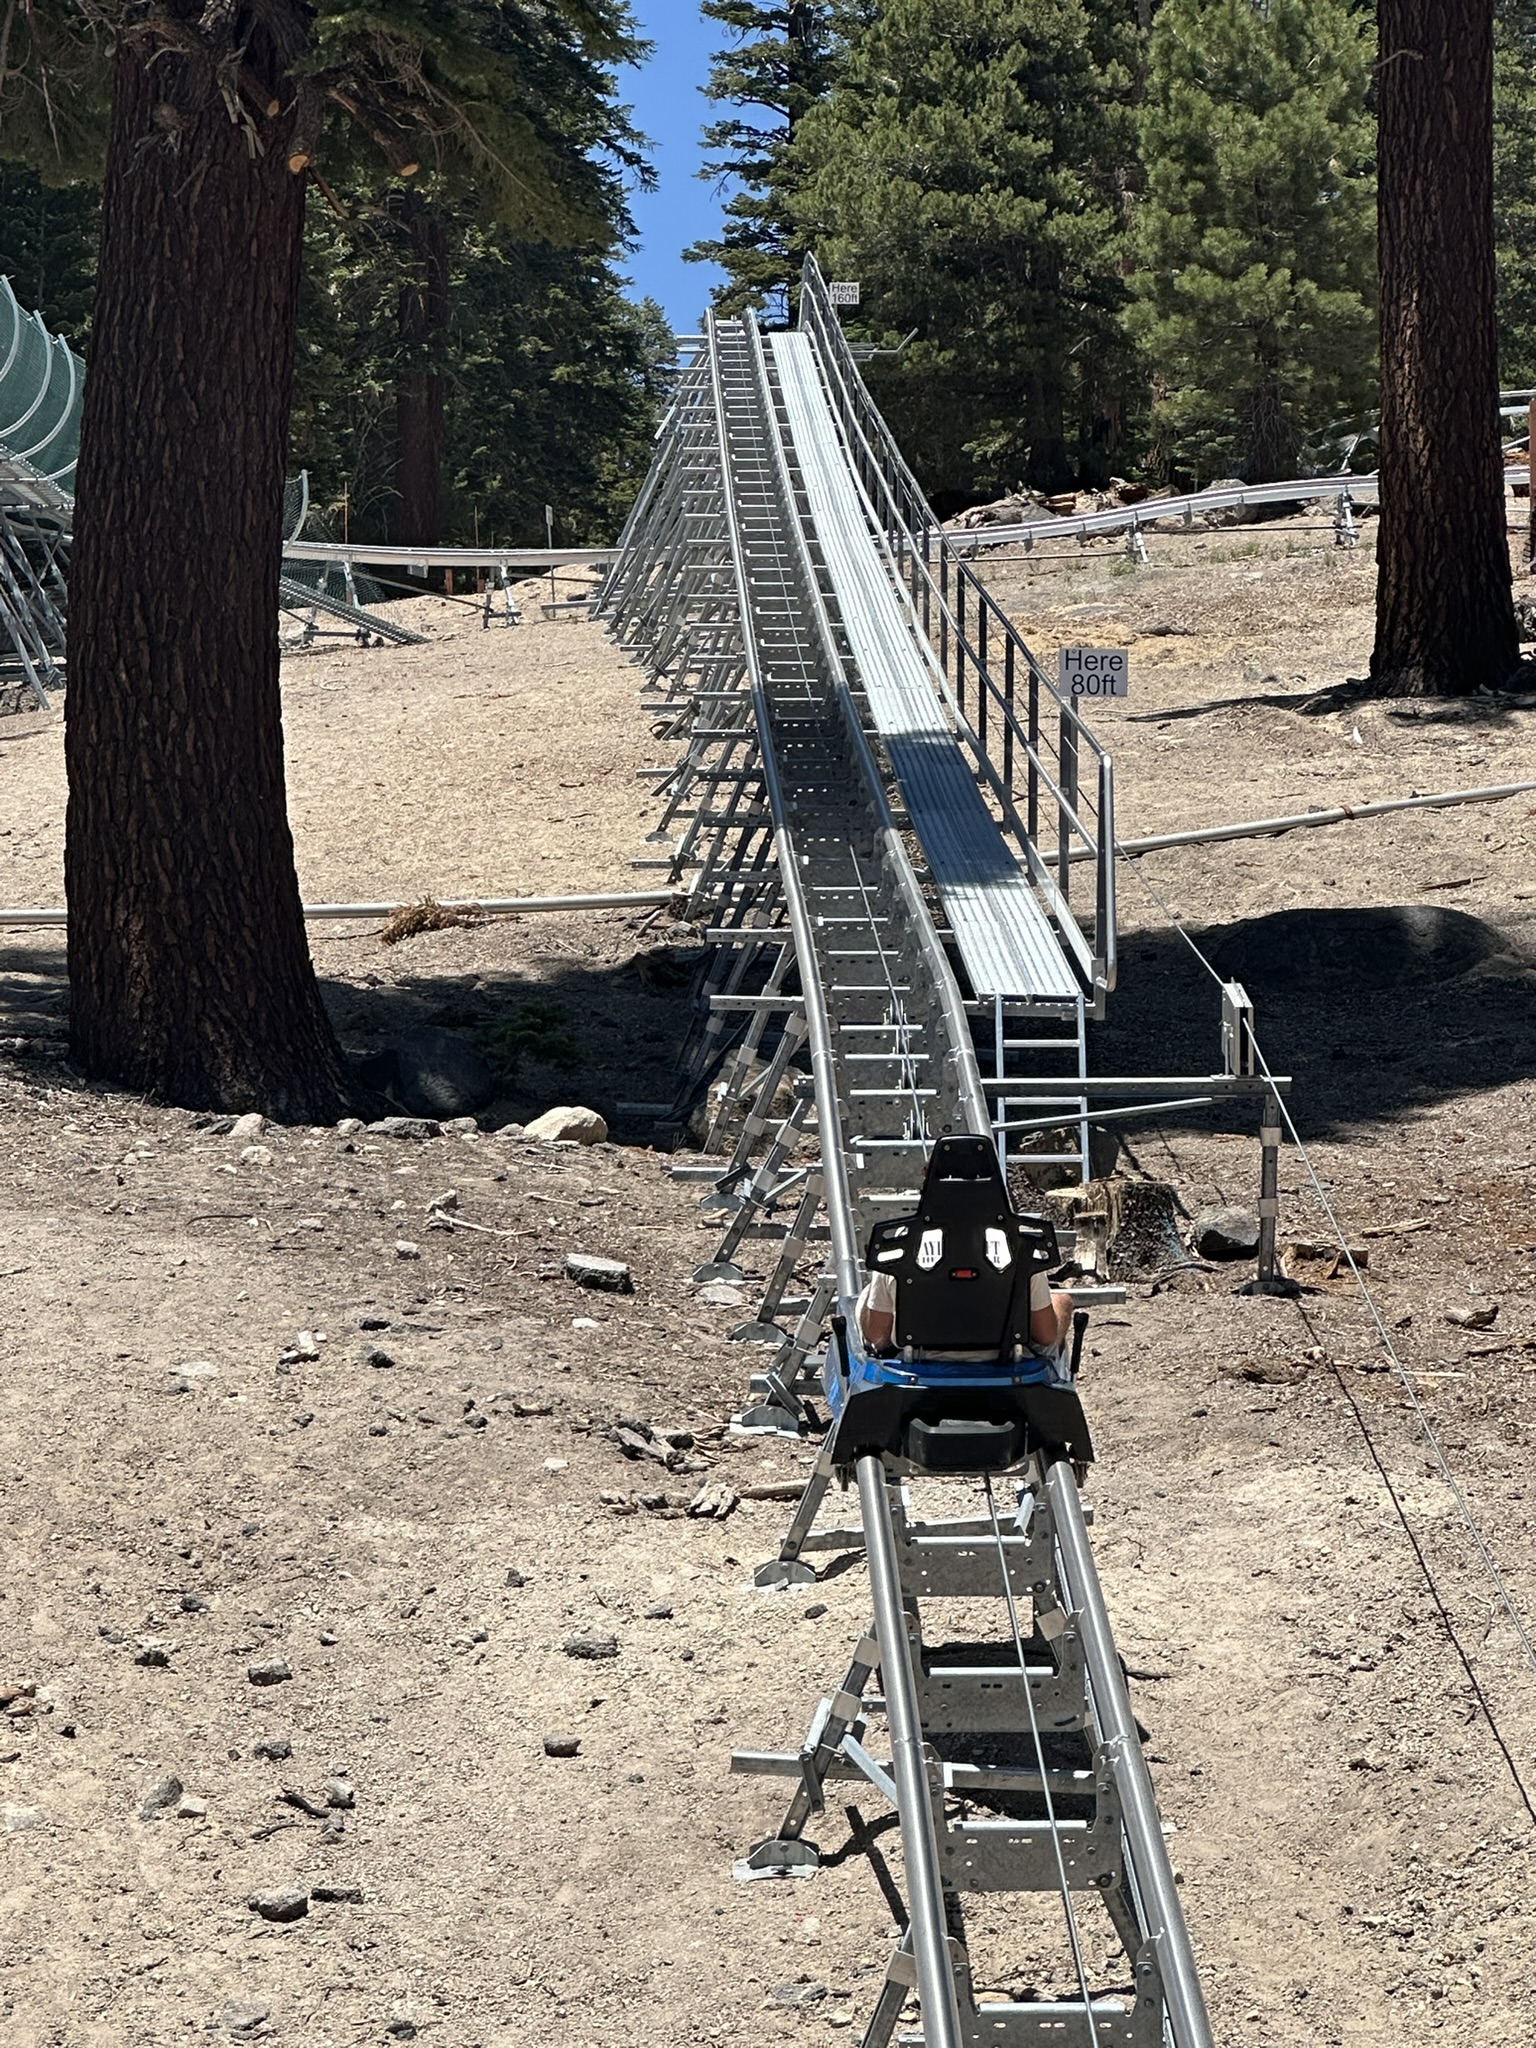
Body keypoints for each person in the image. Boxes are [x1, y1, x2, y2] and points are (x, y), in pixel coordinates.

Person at [854, 1264, 1074, 1362]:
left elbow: (877, 1335)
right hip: (1007, 1361)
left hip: (919, 1362)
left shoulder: (898, 1247)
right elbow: (1045, 1336)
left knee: (865, 1300)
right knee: (1061, 1302)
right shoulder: (1022, 1245)